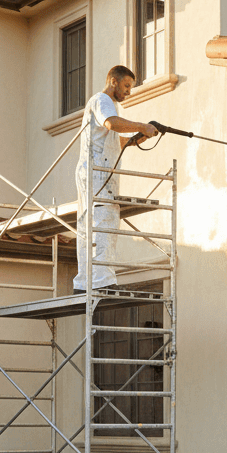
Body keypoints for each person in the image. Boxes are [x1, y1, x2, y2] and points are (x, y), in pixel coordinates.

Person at [73, 66, 158, 293]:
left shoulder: (102, 106)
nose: (128, 92)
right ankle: (102, 282)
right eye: (127, 86)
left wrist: (139, 136)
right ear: (113, 81)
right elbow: (111, 123)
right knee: (104, 222)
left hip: (94, 171)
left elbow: (117, 141)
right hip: (97, 173)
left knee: (88, 226)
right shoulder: (103, 100)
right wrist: (141, 126)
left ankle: (85, 282)